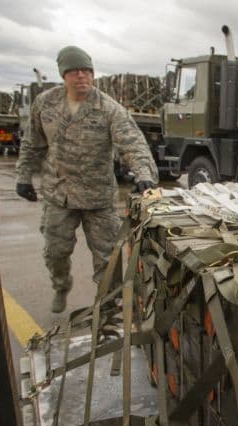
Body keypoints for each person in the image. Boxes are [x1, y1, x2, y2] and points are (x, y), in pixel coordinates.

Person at [15, 45, 157, 313]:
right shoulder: (45, 104)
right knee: (55, 252)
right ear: (63, 75)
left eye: (86, 71)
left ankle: (107, 301)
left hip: (98, 197)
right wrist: (23, 176)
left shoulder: (107, 107)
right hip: (59, 194)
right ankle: (60, 286)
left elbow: (132, 143)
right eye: (74, 71)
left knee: (108, 258)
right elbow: (32, 143)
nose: (81, 76)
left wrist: (144, 175)